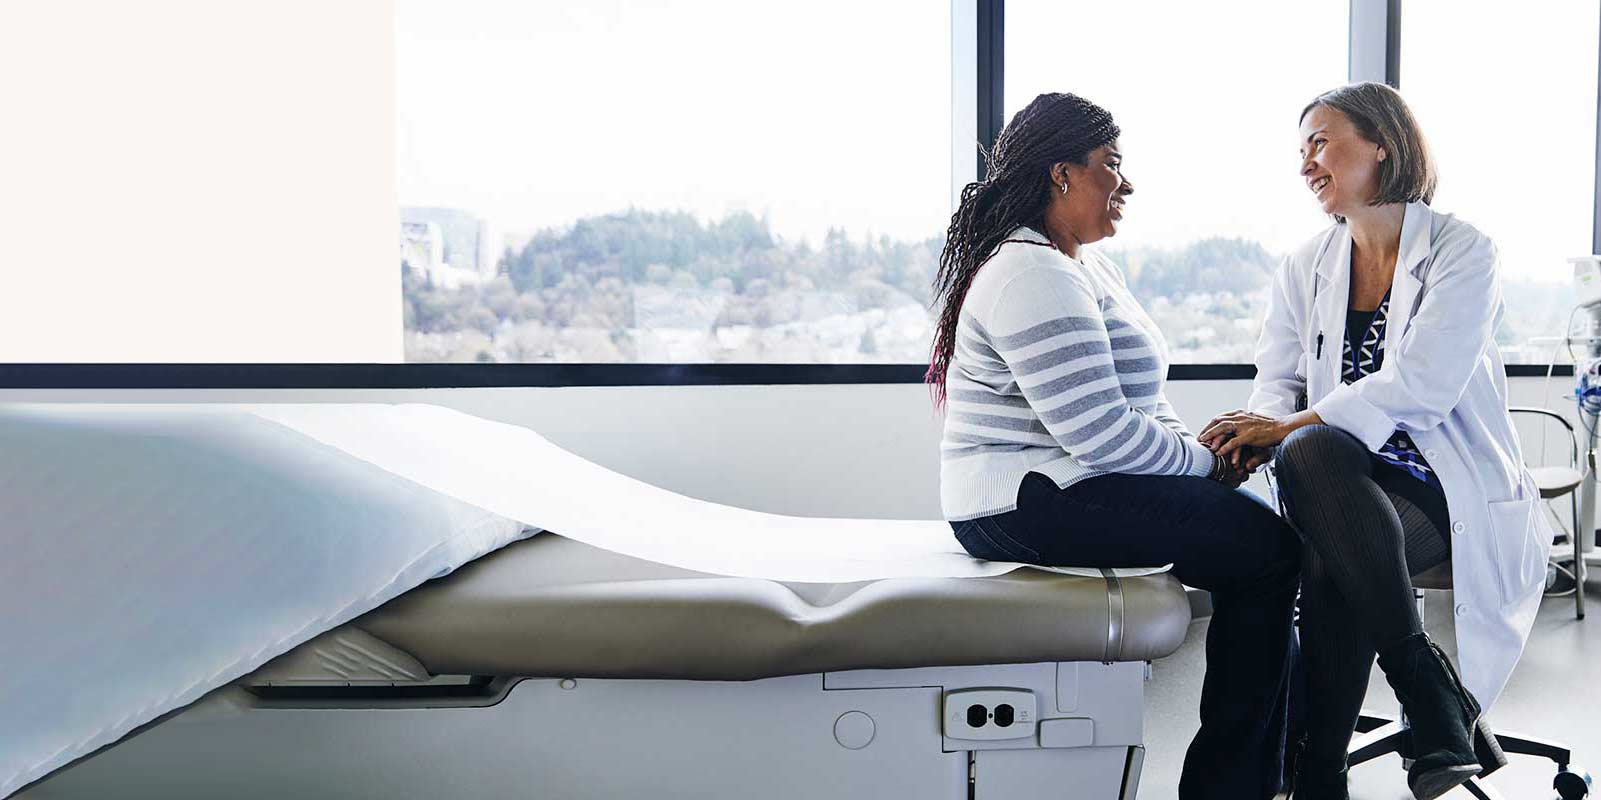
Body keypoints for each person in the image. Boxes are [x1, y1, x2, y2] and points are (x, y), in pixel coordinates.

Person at [929, 92, 1301, 800]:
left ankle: (1266, 768)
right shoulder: (1029, 272)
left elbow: (1137, 404)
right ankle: (1240, 783)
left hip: (1063, 486)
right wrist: (1207, 466)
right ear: (1060, 174)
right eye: (1112, 166)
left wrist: (1201, 458)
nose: (1125, 185)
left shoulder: (1082, 267)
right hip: (1025, 501)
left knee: (1263, 544)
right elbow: (1097, 434)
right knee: (1267, 553)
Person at [1199, 82, 1553, 800]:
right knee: (1317, 465)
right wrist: (1256, 430)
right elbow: (1277, 378)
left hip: (1444, 486)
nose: (1305, 164)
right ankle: (1423, 690)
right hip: (1341, 481)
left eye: (1319, 142)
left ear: (1381, 145)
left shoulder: (1461, 251)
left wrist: (1286, 429)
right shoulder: (1305, 265)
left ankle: (1317, 771)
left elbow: (1422, 384)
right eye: (1301, 149)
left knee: (1331, 532)